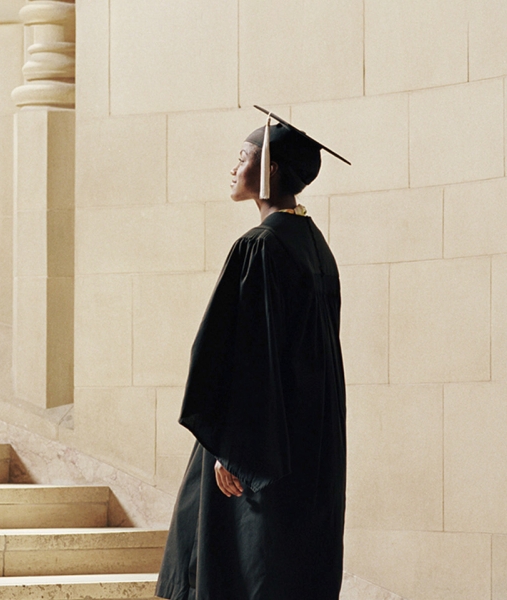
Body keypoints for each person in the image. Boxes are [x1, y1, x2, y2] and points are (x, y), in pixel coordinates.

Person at [155, 108, 349, 600]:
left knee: (240, 565)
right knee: (288, 563)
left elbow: (243, 355)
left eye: (243, 157)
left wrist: (231, 450)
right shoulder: (313, 246)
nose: (233, 167)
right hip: (306, 441)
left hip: (255, 446)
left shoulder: (261, 247)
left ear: (271, 170)